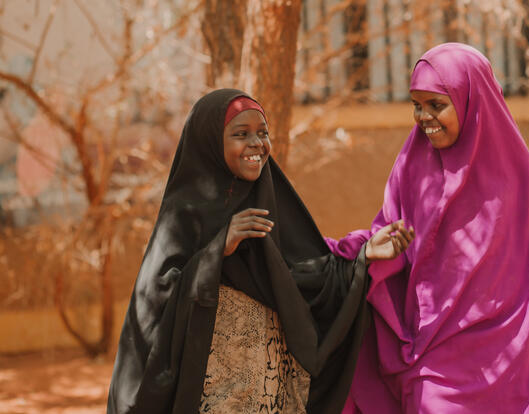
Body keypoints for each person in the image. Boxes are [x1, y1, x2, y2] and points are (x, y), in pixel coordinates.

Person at [106, 88, 414, 414]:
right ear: (210, 142)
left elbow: (309, 278)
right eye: (241, 134)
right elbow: (155, 305)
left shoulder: (272, 206)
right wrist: (216, 252)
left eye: (262, 133)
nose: (256, 143)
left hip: (269, 400)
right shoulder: (183, 215)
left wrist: (364, 257)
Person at [326, 43, 529, 413]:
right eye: (417, 105)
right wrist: (363, 252)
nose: (424, 118)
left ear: (471, 100)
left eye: (436, 105)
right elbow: (391, 232)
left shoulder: (516, 176)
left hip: (504, 356)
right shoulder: (412, 164)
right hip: (429, 352)